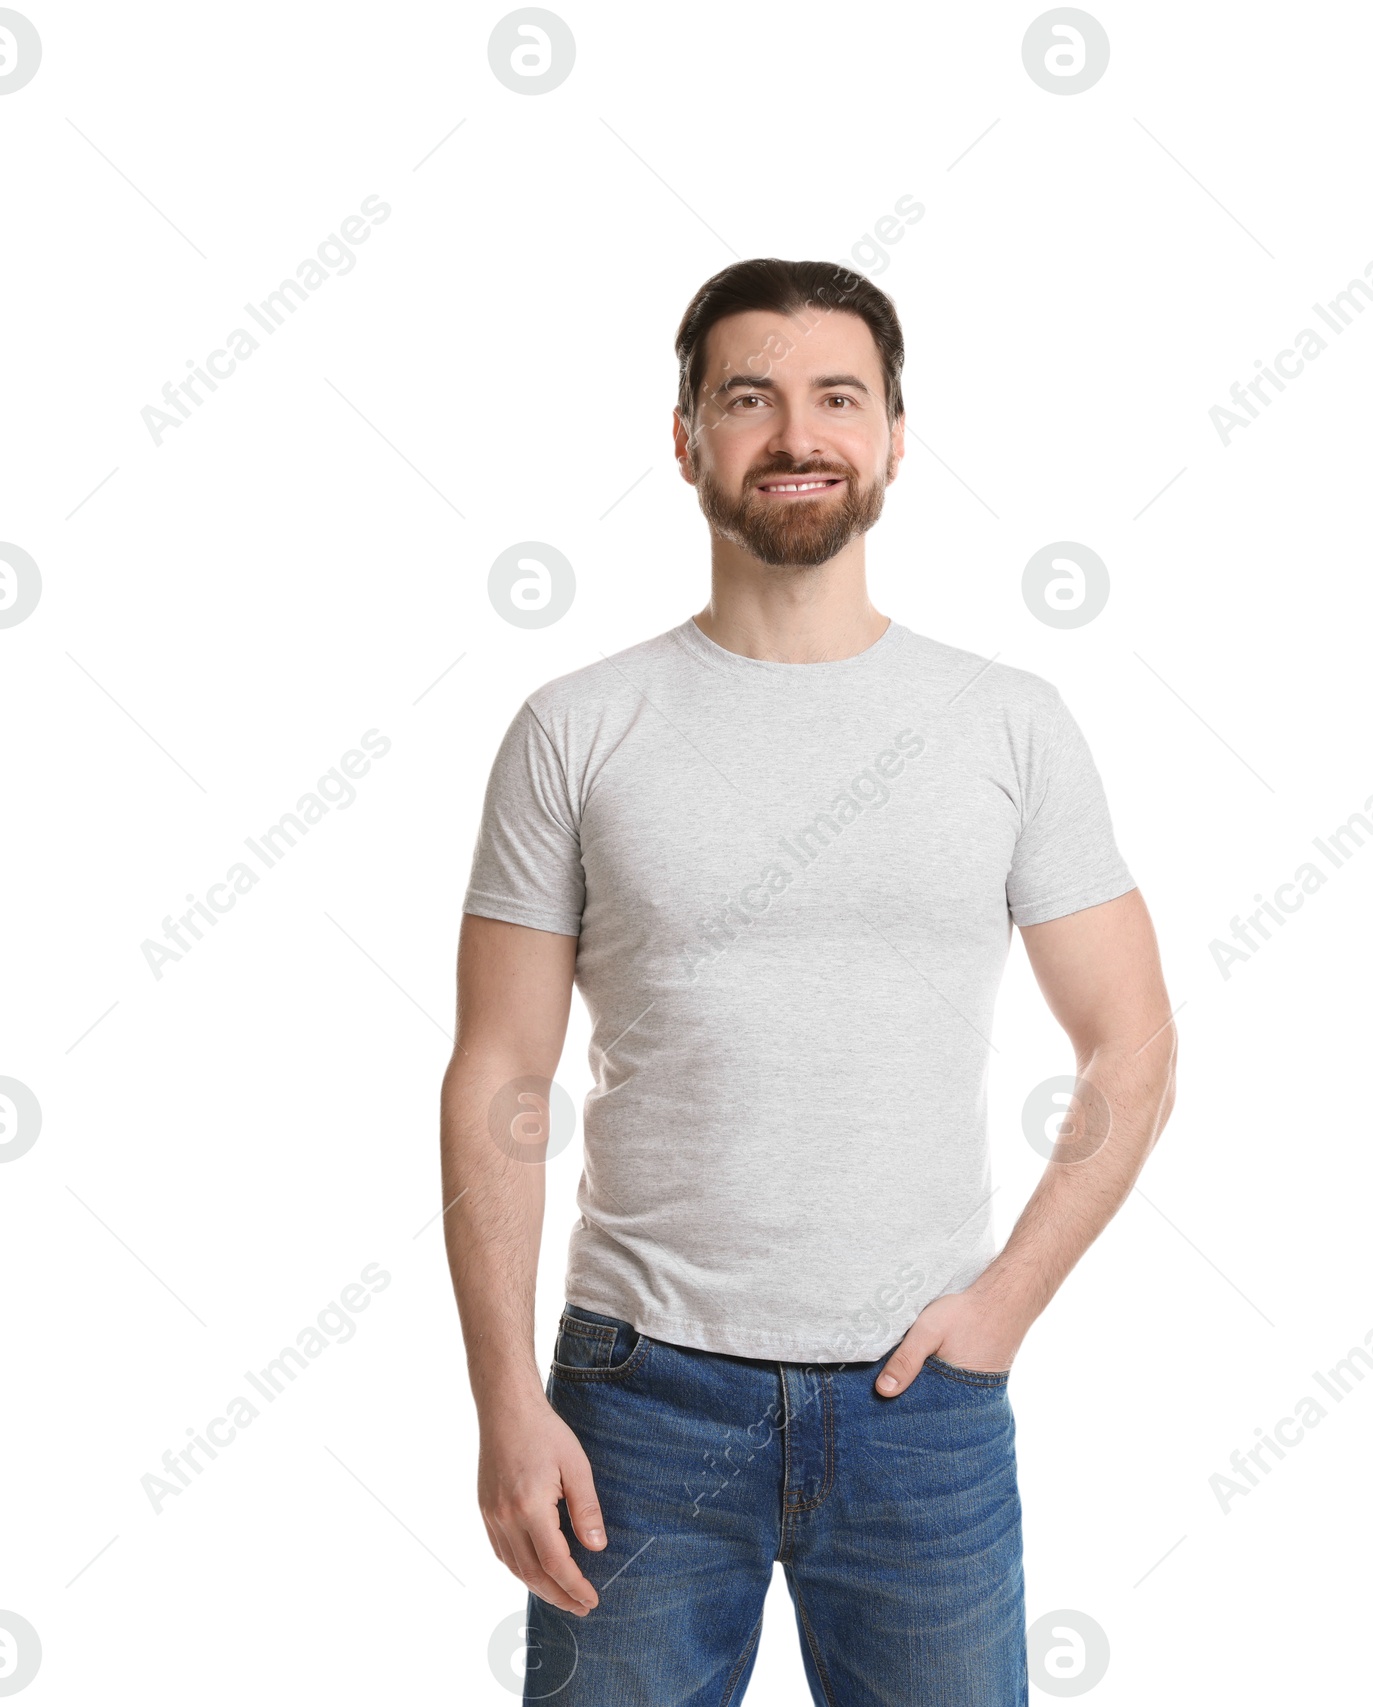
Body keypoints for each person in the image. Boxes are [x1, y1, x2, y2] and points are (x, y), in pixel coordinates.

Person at [442, 258, 1177, 1705]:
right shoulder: (575, 729)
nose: (797, 435)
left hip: (925, 1407)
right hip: (636, 1403)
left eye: (839, 398)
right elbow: (498, 1078)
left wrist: (1005, 1308)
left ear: (896, 436)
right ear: (686, 438)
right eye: (749, 399)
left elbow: (1133, 1043)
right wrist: (504, 1402)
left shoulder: (1008, 726)